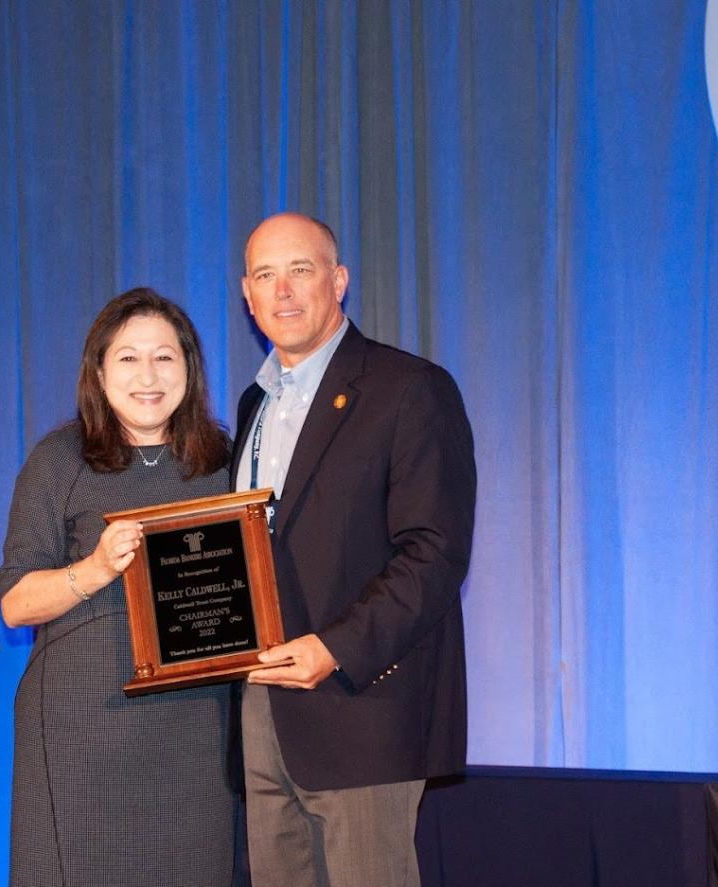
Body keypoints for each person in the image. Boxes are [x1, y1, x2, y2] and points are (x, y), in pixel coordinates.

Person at [233, 213, 476, 887]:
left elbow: (436, 552)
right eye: (264, 275)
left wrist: (334, 646)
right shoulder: (252, 406)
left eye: (300, 270)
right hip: (264, 712)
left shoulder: (409, 389)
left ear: (338, 281)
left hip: (365, 708)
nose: (282, 292)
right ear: (246, 296)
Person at [0, 288, 237, 886]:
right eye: (128, 358)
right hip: (80, 722)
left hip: (194, 724)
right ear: (99, 371)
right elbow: (16, 603)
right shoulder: (61, 459)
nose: (148, 376)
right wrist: (98, 569)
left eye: (165, 357)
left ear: (190, 368)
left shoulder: (222, 462)